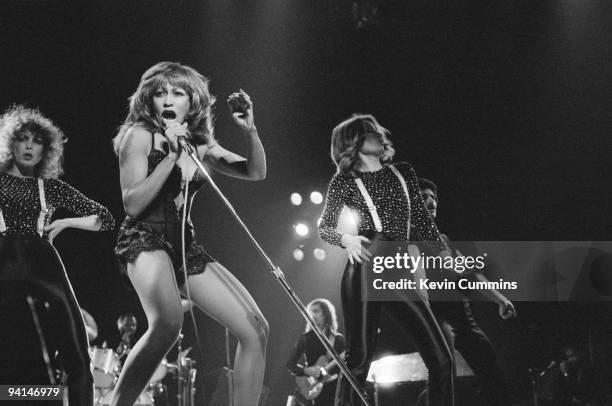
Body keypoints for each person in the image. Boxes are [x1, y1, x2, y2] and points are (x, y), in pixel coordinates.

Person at [111, 61, 269, 406]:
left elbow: (255, 172)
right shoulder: (138, 136)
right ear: (148, 100)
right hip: (144, 238)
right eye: (160, 93)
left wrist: (250, 130)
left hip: (185, 246)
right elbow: (133, 205)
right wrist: (171, 155)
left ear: (191, 101)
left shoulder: (201, 145)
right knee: (168, 323)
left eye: (177, 93)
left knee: (256, 330)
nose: (168, 99)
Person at [318, 113, 454, 406]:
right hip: (367, 264)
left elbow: (424, 223)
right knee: (359, 358)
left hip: (398, 267)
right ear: (353, 141)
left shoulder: (403, 172)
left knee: (442, 359)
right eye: (370, 130)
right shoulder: (344, 180)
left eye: (378, 128)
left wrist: (446, 257)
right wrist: (346, 238)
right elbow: (325, 226)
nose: (380, 133)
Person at [0, 105, 115, 405]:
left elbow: (104, 217)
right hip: (5, 261)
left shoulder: (50, 188)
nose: (28, 145)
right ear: (10, 143)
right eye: (22, 138)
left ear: (45, 149)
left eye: (36, 141)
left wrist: (65, 221)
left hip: (43, 262)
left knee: (77, 354)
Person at [416, 177, 515, 406]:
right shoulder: (409, 238)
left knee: (491, 370)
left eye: (434, 197)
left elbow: (471, 273)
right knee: (443, 368)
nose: (431, 201)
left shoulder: (444, 239)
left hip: (464, 317)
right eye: (423, 197)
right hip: (437, 317)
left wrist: (500, 300)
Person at [287, 298, 346, 406]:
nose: (312, 315)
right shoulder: (305, 338)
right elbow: (290, 365)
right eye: (310, 312)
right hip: (311, 391)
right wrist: (307, 371)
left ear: (325, 313)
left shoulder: (338, 339)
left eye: (316, 311)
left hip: (333, 392)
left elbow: (346, 366)